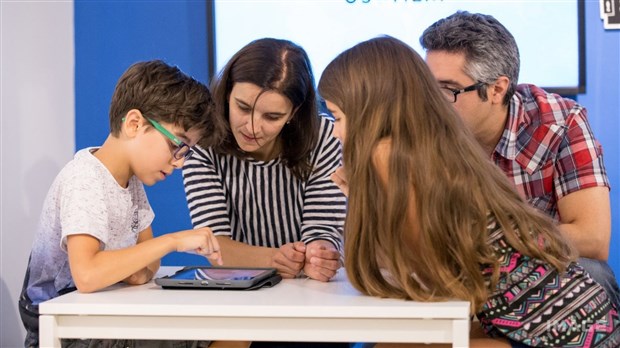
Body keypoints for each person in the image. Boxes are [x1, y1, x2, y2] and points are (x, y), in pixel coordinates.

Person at [318, 36, 620, 347]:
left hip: (557, 337)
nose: (337, 132)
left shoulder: (388, 156)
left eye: (338, 117)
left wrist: (363, 201)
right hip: (584, 324)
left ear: (370, 105)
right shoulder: (438, 147)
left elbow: (412, 273)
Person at [419, 11, 620, 308]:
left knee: (593, 276)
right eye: (427, 87)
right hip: (451, 278)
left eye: (448, 90)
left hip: (536, 281)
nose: (432, 103)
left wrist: (484, 239)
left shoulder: (559, 123)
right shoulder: (419, 127)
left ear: (497, 89)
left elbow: (592, 239)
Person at [19, 60, 223, 348]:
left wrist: (132, 264)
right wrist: (173, 241)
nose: (179, 163)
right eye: (178, 145)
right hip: (68, 331)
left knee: (230, 329)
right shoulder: (85, 178)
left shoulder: (132, 183)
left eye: (186, 152)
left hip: (101, 319)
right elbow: (88, 275)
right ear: (134, 124)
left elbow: (146, 268)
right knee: (220, 331)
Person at [182, 38, 346, 284]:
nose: (252, 127)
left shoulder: (324, 137)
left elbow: (322, 231)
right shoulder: (202, 143)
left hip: (310, 292)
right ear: (227, 94)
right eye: (243, 107)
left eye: (272, 116)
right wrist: (274, 259)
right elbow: (214, 245)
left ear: (294, 112)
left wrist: (319, 255)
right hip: (239, 292)